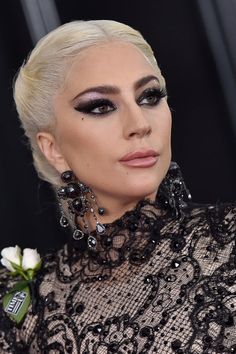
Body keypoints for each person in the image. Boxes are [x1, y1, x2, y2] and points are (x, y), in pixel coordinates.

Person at [0, 19, 235, 354]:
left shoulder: (226, 247)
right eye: (100, 106)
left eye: (150, 96)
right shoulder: (25, 305)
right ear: (53, 149)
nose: (139, 124)